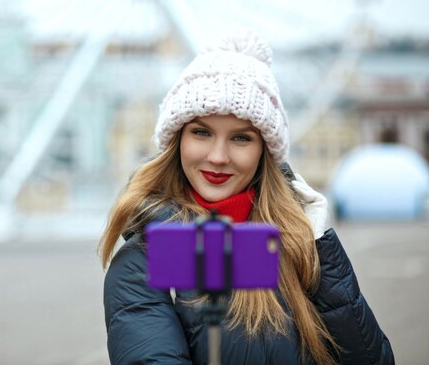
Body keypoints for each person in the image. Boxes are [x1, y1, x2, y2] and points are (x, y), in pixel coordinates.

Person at [99, 28, 394, 365]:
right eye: (201, 132)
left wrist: (320, 248)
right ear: (176, 141)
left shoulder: (300, 245)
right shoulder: (145, 263)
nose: (219, 156)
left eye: (241, 138)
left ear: (264, 152)